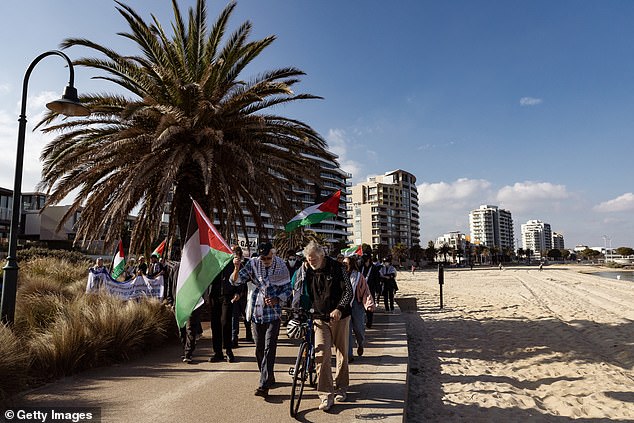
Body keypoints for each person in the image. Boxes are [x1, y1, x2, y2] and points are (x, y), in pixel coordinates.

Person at [292, 241, 353, 412]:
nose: (311, 262)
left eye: (314, 259)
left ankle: (341, 388)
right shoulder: (307, 270)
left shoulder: (337, 267)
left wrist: (339, 309)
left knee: (341, 353)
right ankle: (326, 395)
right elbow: (299, 291)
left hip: (340, 317)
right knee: (322, 355)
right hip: (319, 318)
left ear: (322, 256)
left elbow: (348, 291)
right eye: (309, 260)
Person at [231, 241, 291, 397]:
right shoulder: (253, 264)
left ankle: (263, 385)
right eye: (263, 258)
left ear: (273, 254)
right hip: (257, 313)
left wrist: (277, 299)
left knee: (269, 348)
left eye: (268, 258)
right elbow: (235, 281)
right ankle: (268, 376)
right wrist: (236, 268)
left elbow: (288, 289)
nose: (265, 261)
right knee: (259, 349)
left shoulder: (281, 266)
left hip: (273, 314)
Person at [208, 245, 242, 363]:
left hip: (228, 296)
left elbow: (239, 279)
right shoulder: (213, 261)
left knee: (225, 323)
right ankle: (217, 352)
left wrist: (238, 292)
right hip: (214, 296)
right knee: (215, 324)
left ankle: (228, 350)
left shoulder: (234, 263)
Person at [343, 255, 375, 363]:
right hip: (344, 307)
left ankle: (360, 344)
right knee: (347, 331)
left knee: (359, 329)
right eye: (343, 264)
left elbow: (366, 291)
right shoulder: (340, 276)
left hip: (357, 305)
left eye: (346, 264)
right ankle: (349, 355)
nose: (345, 266)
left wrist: (369, 304)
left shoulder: (358, 276)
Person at [360, 254, 380, 329]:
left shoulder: (374, 268)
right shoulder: (360, 267)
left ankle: (369, 322)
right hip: (361, 290)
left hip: (370, 290)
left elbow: (377, 280)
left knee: (370, 306)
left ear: (368, 259)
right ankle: (362, 322)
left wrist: (378, 290)